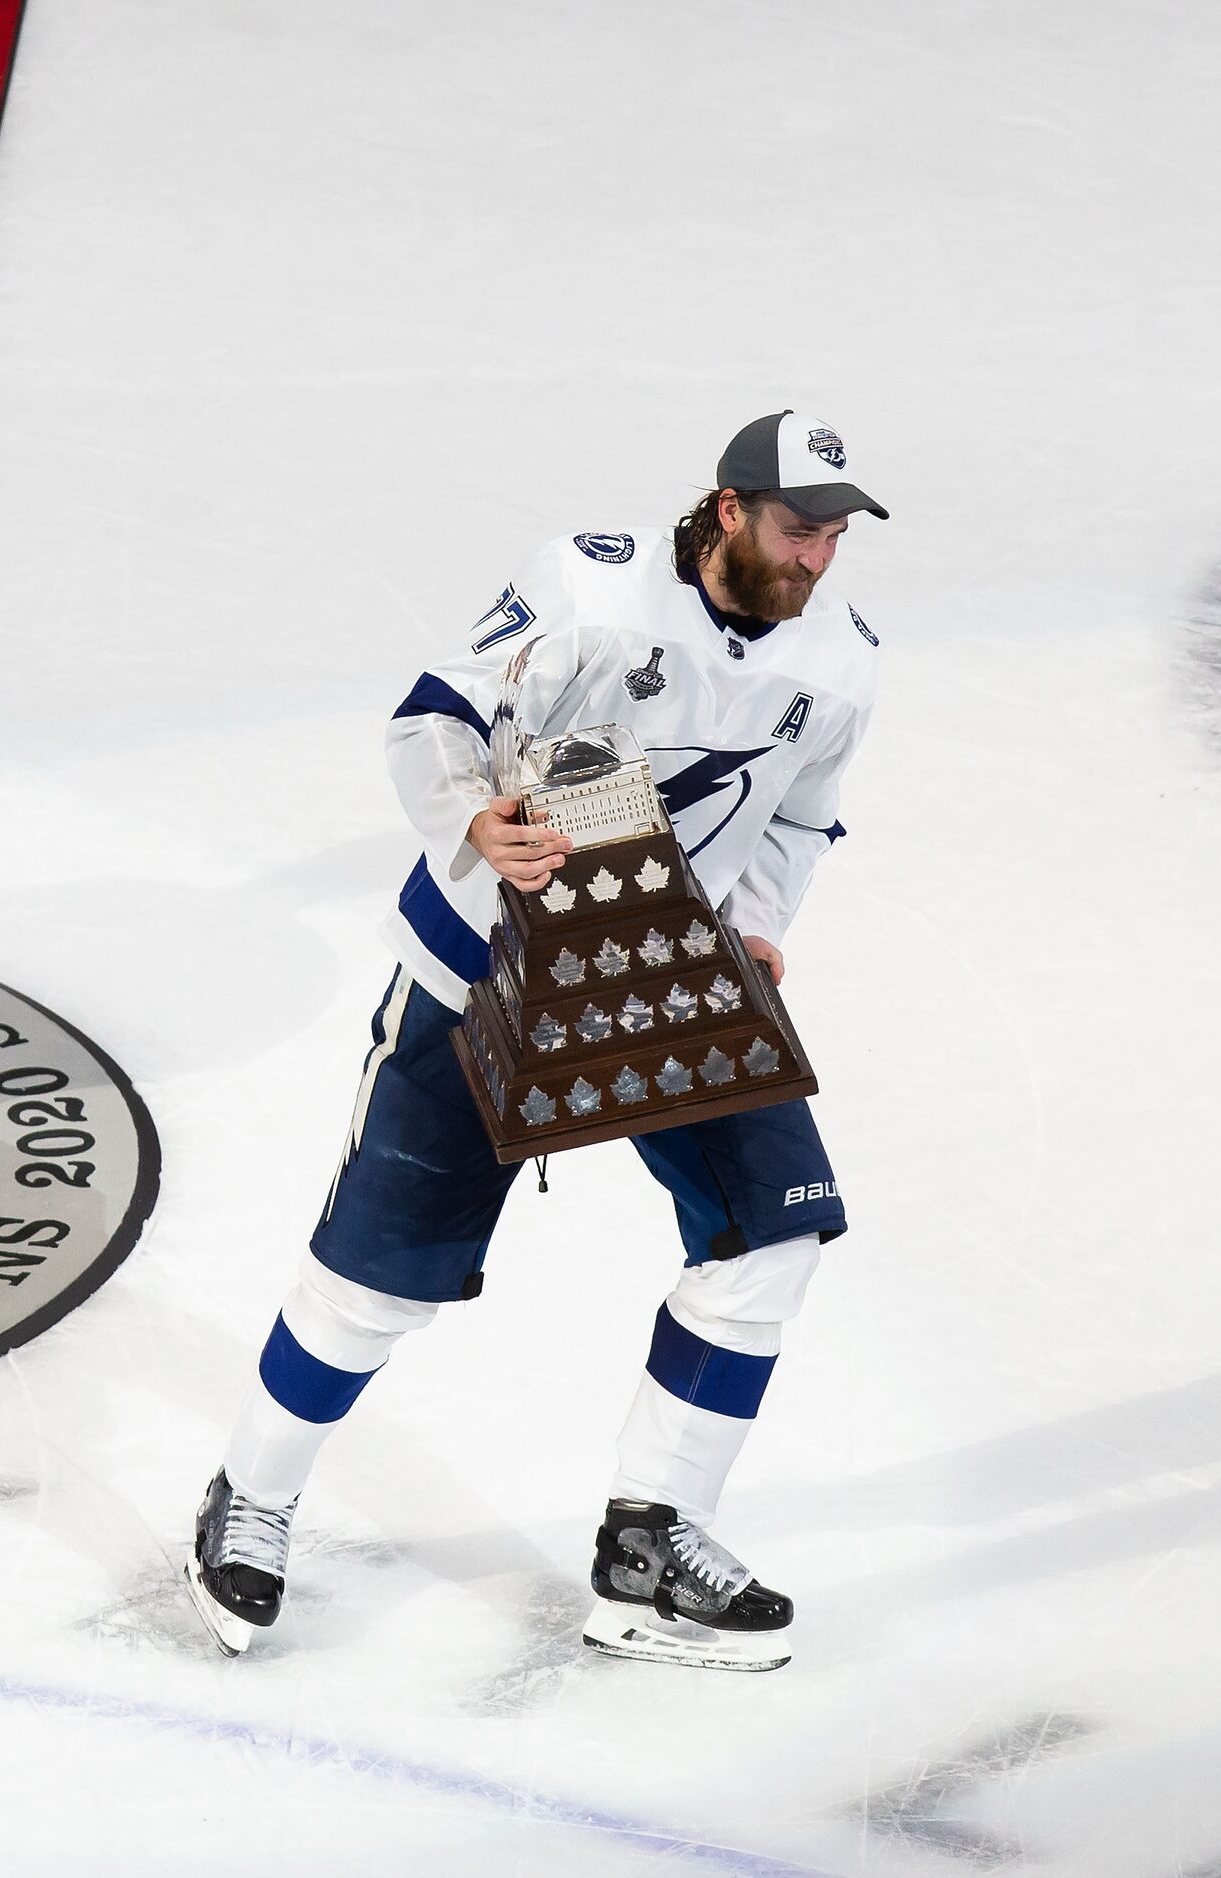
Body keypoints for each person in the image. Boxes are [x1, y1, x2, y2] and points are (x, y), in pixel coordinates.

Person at [185, 409, 888, 1672]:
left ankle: (650, 1548)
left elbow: (798, 820)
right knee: (376, 1282)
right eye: (797, 529)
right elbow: (430, 719)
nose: (816, 561)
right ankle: (249, 1494)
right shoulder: (595, 587)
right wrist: (476, 823)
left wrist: (764, 929)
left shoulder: (837, 663)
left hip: (669, 982)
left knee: (776, 1233)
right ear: (728, 508)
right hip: (478, 977)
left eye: (836, 537)